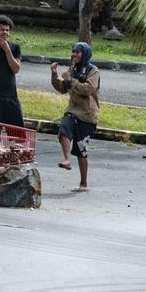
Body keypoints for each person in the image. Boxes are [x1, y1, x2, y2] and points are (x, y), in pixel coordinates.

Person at [51, 42, 100, 193]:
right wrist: (54, 74)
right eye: (73, 51)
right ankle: (66, 159)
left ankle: (83, 183)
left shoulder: (93, 70)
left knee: (80, 149)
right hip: (73, 110)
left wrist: (71, 80)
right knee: (64, 128)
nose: (74, 55)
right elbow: (62, 88)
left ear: (85, 54)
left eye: (78, 52)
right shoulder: (72, 69)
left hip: (87, 115)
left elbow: (88, 89)